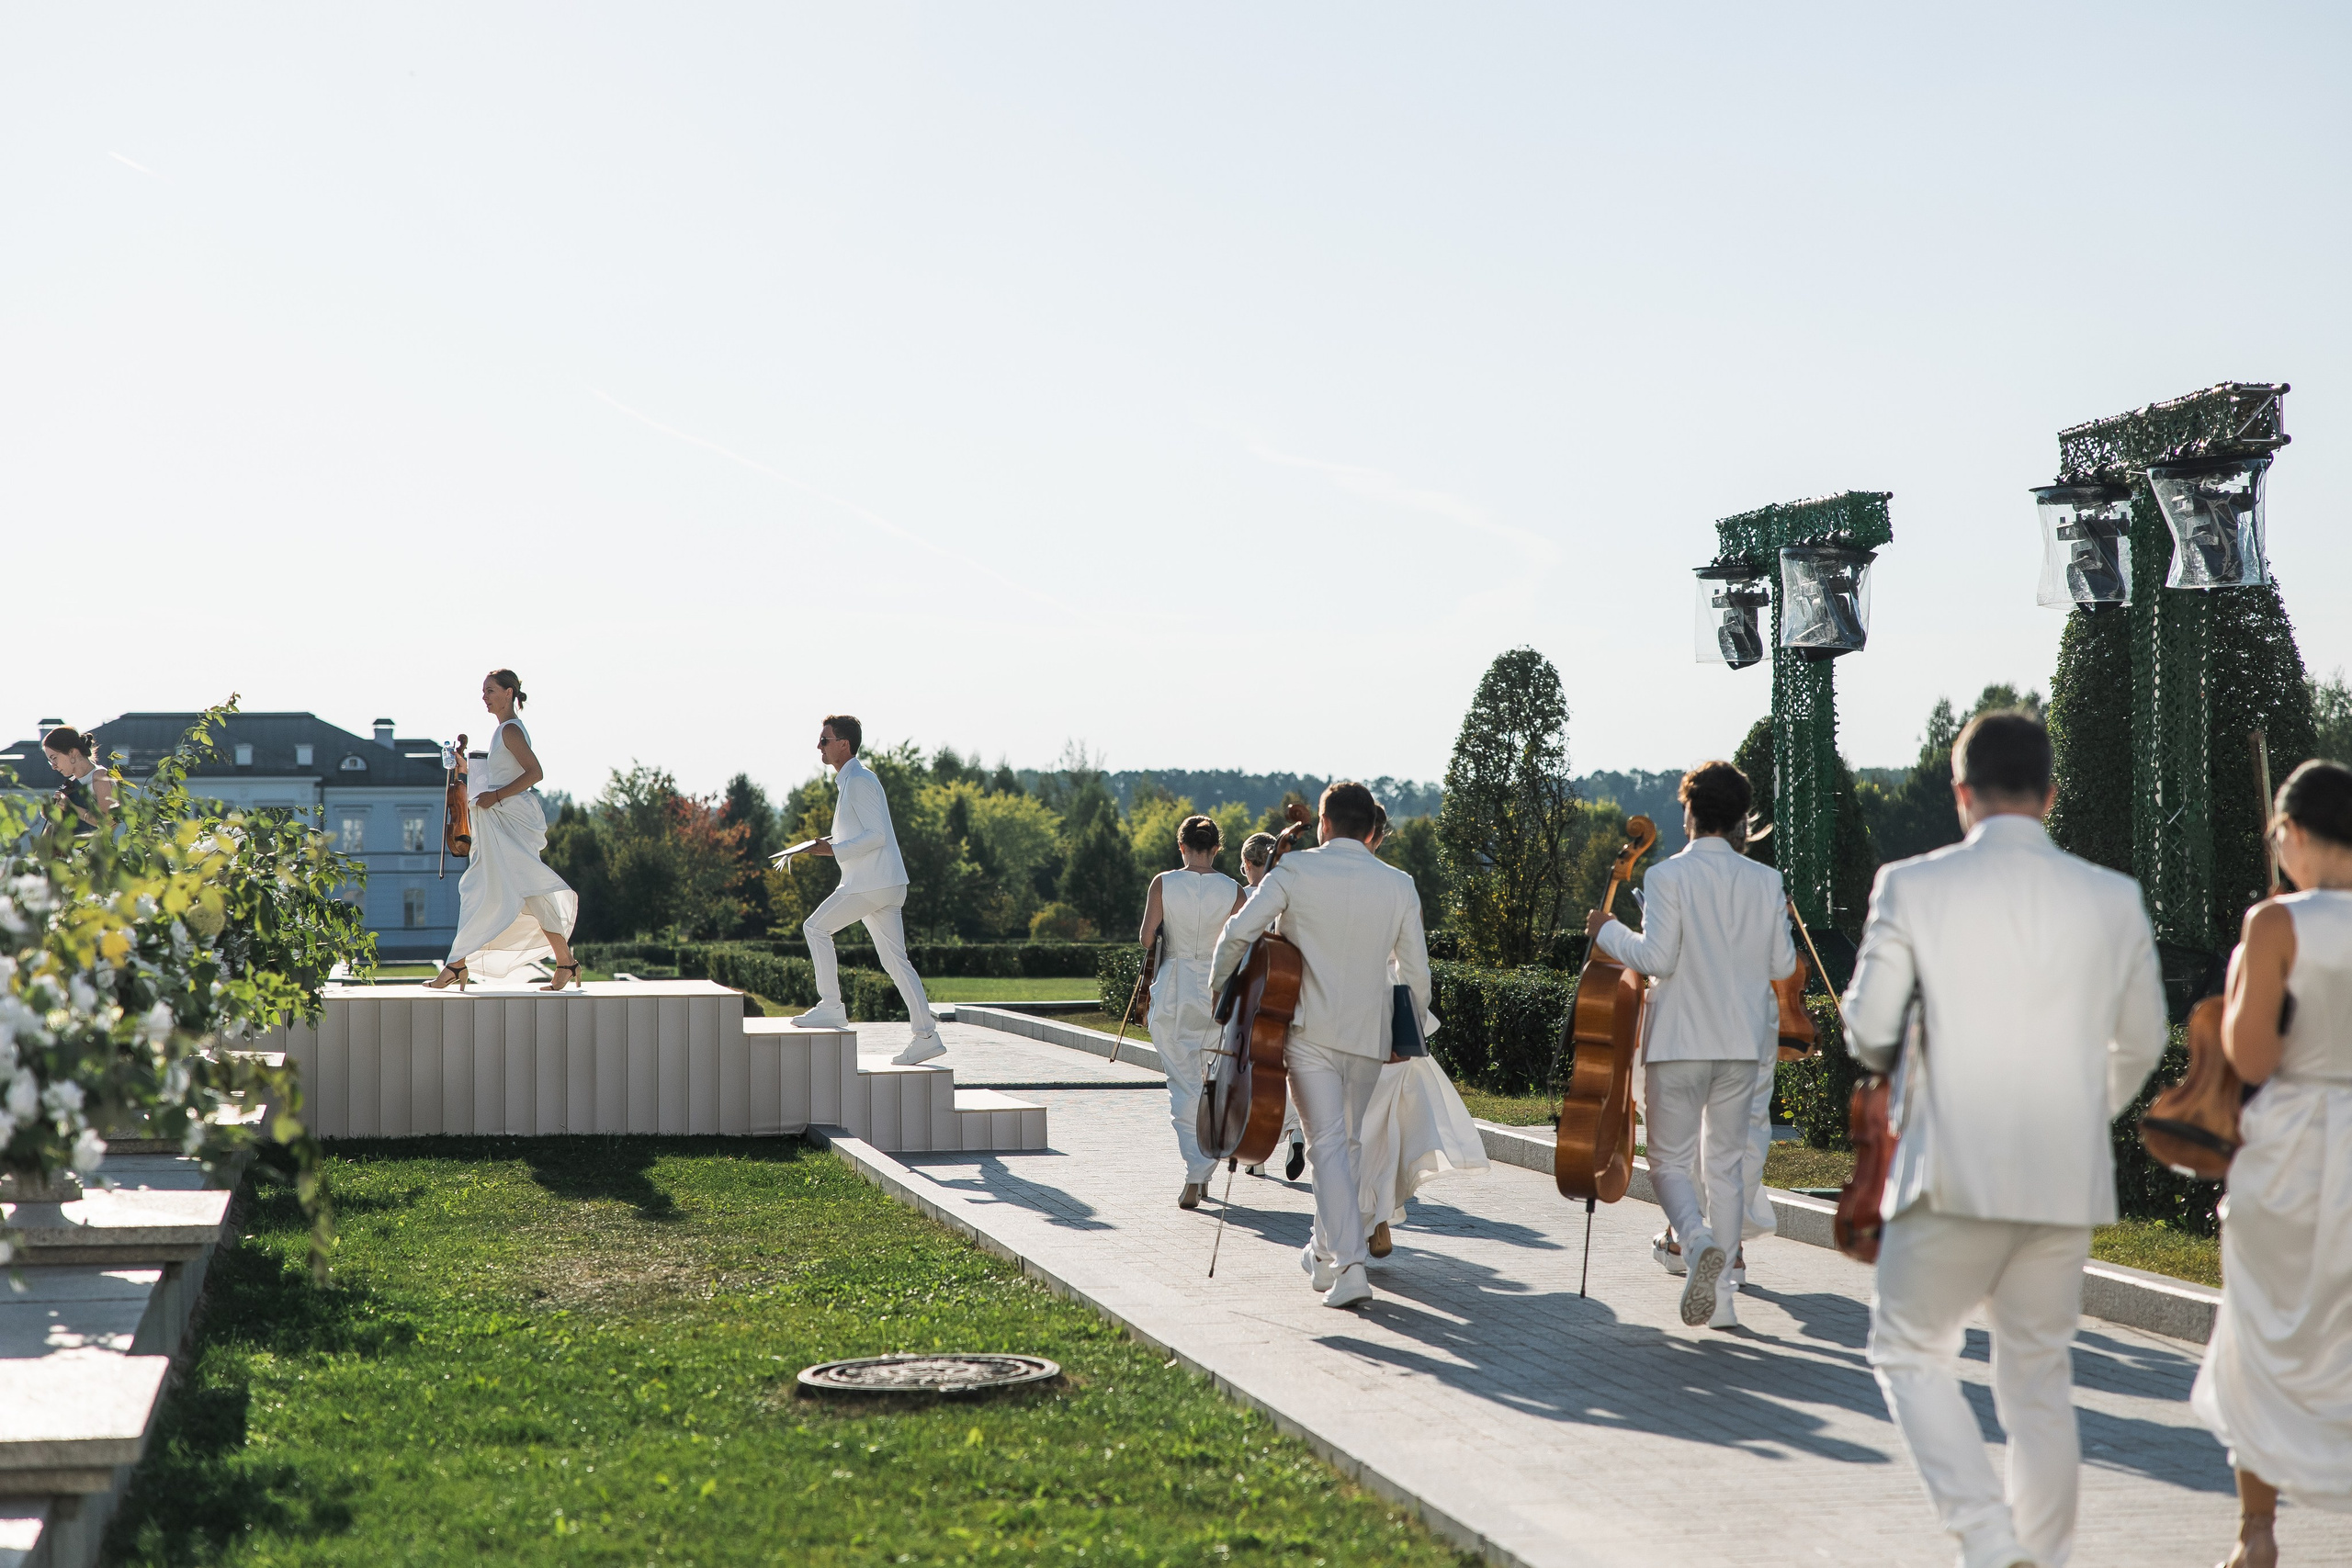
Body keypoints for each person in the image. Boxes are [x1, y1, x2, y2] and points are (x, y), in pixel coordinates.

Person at [1844, 710, 2166, 1568]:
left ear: (1961, 793)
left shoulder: (1911, 885)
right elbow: (2141, 1040)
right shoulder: (2113, 896)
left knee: (1906, 1349)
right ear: (2051, 794)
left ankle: (1988, 1540)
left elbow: (1869, 1029)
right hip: (2064, 1174)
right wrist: (2077, 1107)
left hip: (1948, 1166)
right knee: (2038, 1382)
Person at [2191, 758, 2352, 1567]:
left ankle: (2257, 1532)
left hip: (2293, 1141)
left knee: (2259, 1327)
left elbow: (2251, 1055)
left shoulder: (2275, 923)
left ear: (2290, 832)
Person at [1587, 760, 1794, 1330]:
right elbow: (1780, 963)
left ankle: (1695, 1238)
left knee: (1670, 1162)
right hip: (1742, 1045)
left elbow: (1656, 959)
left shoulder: (1667, 877)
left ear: (1690, 814)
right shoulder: (1766, 881)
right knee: (1726, 1166)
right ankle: (1723, 1295)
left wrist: (1604, 929)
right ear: (1738, 820)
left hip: (1679, 1038)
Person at [1211, 781, 1430, 1310]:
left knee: (1330, 1146)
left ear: (1326, 824)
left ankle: (1350, 1266)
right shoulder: (1399, 884)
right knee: (1344, 1145)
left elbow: (1240, 933)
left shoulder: (1295, 870)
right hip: (1370, 1035)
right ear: (1371, 829)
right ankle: (1324, 1251)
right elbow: (1416, 974)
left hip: (1307, 1029)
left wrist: (1220, 992)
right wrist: (1409, 1033)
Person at [1356, 804, 1487, 1258]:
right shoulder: (1397, 883)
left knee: (1347, 1130)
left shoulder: (1313, 875)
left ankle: (1367, 1219)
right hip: (1391, 1014)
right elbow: (1415, 966)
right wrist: (1414, 1022)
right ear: (1379, 834)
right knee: (1386, 1123)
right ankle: (1378, 1217)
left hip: (1334, 1018)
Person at [790, 714, 944, 1066]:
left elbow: (876, 836)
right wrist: (828, 843)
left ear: (844, 745)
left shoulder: (858, 780)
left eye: (825, 740)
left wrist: (832, 850)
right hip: (885, 884)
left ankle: (831, 1006)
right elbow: (868, 832)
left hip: (870, 884)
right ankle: (926, 1036)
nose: (819, 746)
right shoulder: (854, 780)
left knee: (814, 928)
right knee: (896, 962)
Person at [429, 671, 582, 992]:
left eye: (490, 691)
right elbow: (500, 773)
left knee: (479, 888)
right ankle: (566, 962)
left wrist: (495, 797)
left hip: (507, 818)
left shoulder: (510, 729)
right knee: (528, 890)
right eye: (483, 691)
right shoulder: (502, 731)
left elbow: (535, 773)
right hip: (500, 818)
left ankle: (456, 965)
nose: (484, 696)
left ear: (509, 693)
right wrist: (465, 768)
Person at [1138, 815, 1246, 1210]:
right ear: (1217, 848)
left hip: (1175, 986)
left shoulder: (1163, 882)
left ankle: (1195, 1173)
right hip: (1216, 990)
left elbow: (1147, 936)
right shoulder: (1235, 890)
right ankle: (1201, 1171)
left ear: (1181, 846)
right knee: (1212, 1082)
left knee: (1181, 1083)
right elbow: (1244, 943)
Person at [1235, 831, 1306, 1182]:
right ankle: (1296, 1133)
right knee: (1287, 1066)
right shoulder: (1294, 896)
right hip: (1288, 990)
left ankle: (1255, 1153)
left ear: (1249, 864)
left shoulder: (1245, 897)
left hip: (1253, 994)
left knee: (1253, 1070)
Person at [40, 727, 115, 829]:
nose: (53, 766)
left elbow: (109, 822)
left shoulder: (99, 776)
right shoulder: (70, 784)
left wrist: (71, 808)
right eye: (50, 762)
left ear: (72, 753)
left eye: (54, 758)